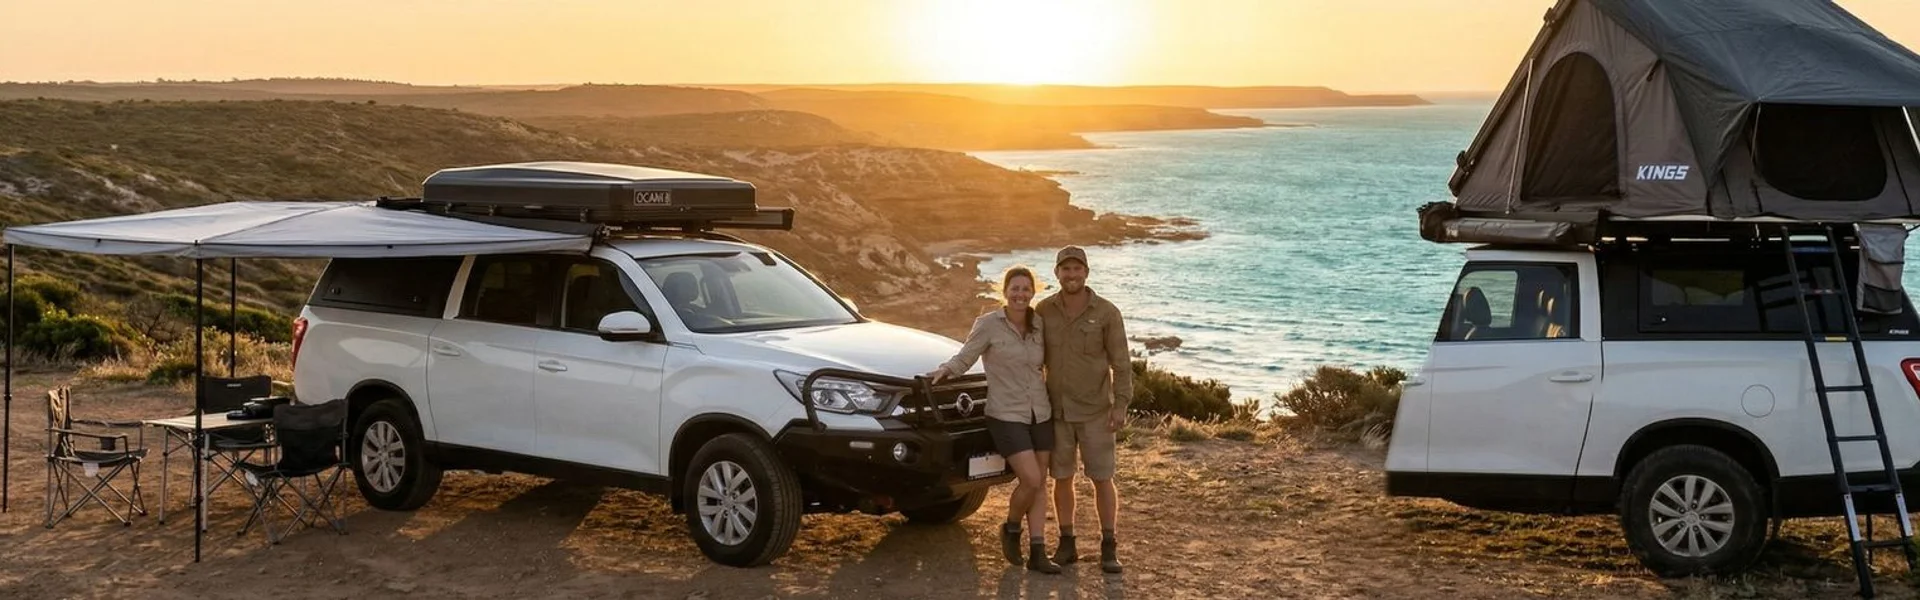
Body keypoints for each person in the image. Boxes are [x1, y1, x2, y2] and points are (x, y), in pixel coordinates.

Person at [926, 265, 1062, 574]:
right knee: (1030, 479)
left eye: (1025, 289)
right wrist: (944, 370)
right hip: (1005, 414)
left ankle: (1038, 551)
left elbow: (1054, 362)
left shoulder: (1040, 325)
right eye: (1014, 288)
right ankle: (1011, 528)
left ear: (1033, 292)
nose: (1020, 294)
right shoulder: (988, 324)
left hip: (1040, 412)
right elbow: (966, 356)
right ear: (1005, 291)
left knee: (1041, 482)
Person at [1035, 245, 1133, 574]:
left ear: (1086, 273)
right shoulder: (1043, 310)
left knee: (1102, 478)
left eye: (1077, 269)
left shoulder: (1107, 312)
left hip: (1096, 413)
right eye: (1066, 269)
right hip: (1057, 414)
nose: (1071, 275)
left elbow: (1122, 364)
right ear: (1057, 273)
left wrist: (1120, 405)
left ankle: (1109, 546)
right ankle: (1067, 544)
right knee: (1061, 478)